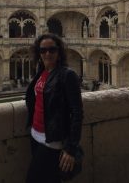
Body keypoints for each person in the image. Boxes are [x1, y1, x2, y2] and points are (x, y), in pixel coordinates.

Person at [25, 33, 83, 183]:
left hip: (52, 141)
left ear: (59, 52)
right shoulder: (41, 72)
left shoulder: (67, 75)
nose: (47, 53)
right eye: (43, 50)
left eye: (52, 50)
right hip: (35, 135)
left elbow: (77, 113)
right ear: (38, 53)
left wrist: (70, 149)